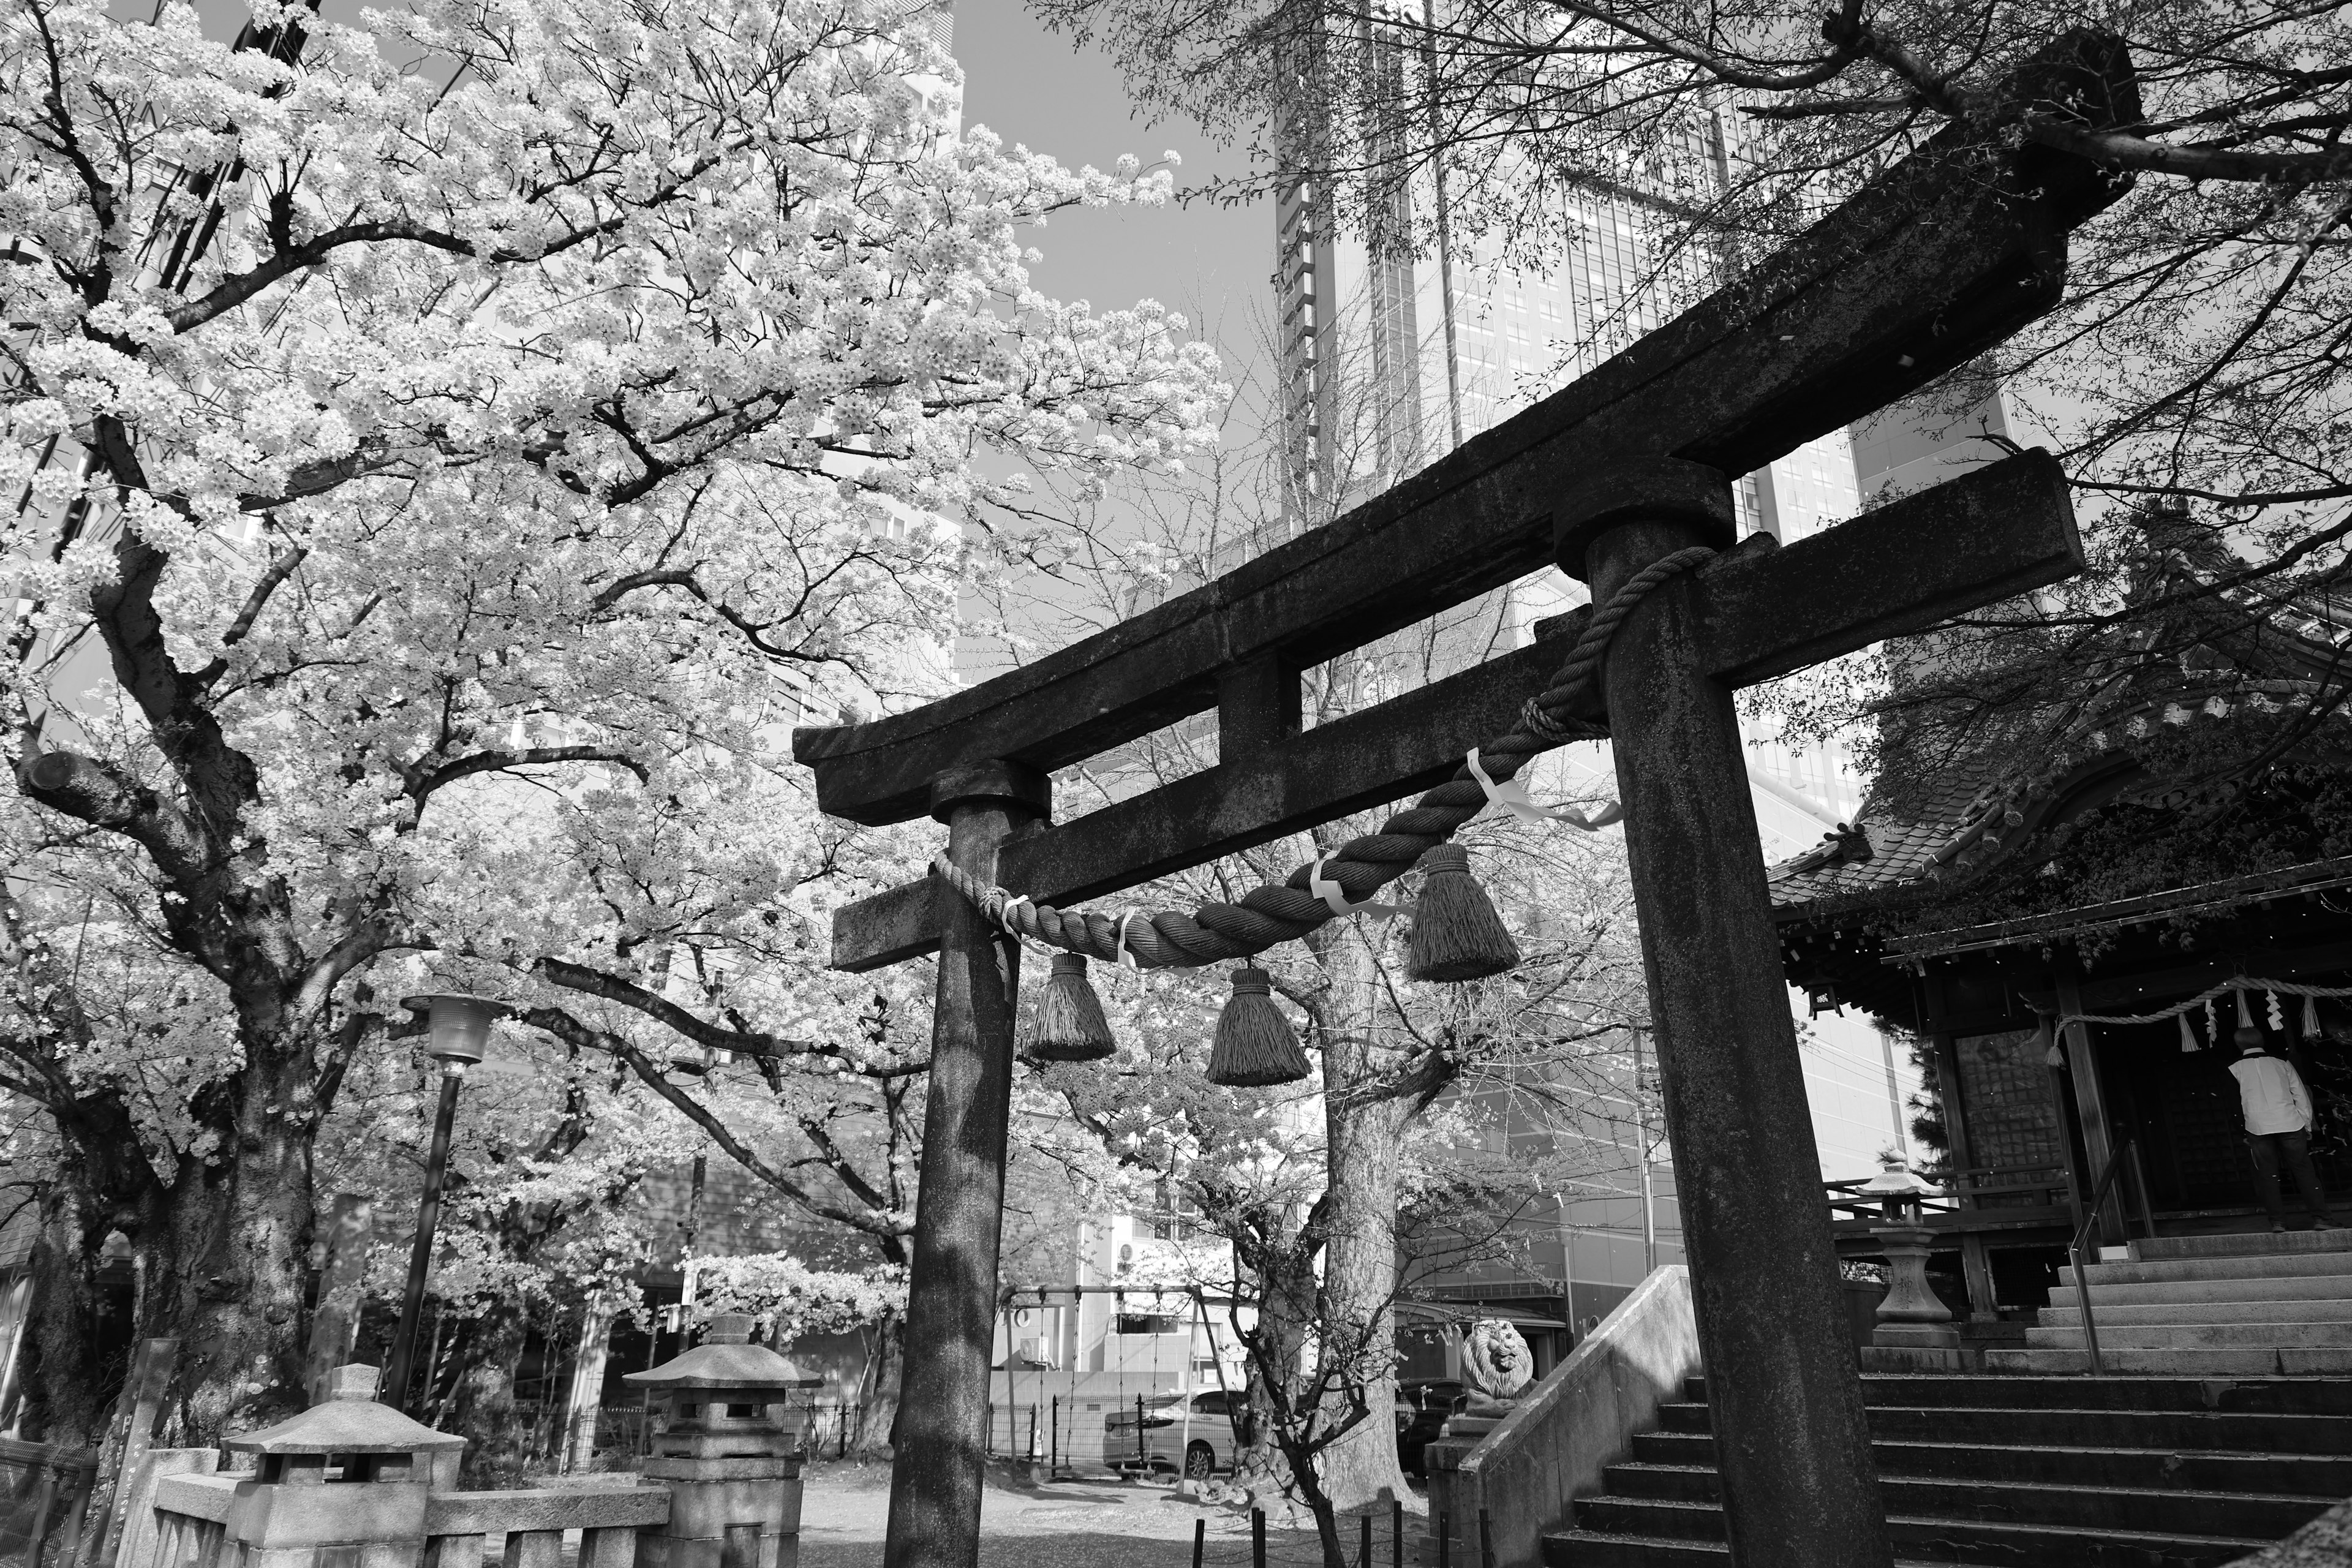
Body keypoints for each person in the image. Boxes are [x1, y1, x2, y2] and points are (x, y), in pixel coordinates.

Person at [2230, 1033, 2338, 1232]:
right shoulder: (2282, 1063)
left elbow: (2234, 1104)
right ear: (2262, 1041)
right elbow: (2300, 1094)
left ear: (2239, 1045)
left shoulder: (2234, 1068)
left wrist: (2242, 1131)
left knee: (2268, 1176)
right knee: (2304, 1172)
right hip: (2289, 1122)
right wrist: (2306, 1124)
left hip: (2258, 1127)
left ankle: (2278, 1222)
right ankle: (2322, 1218)